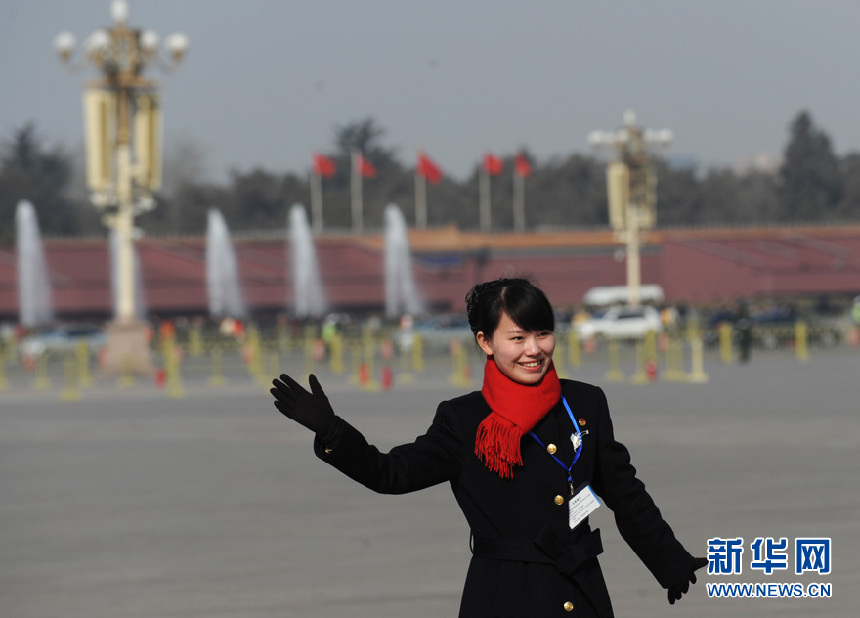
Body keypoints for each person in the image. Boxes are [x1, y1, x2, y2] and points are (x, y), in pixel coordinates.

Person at [271, 277, 705, 617]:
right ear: (485, 342)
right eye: (517, 338)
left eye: (543, 334)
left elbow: (624, 492)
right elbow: (392, 474)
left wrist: (669, 560)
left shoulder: (585, 402)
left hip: (581, 591)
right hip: (504, 596)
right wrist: (333, 433)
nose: (534, 350)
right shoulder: (463, 420)